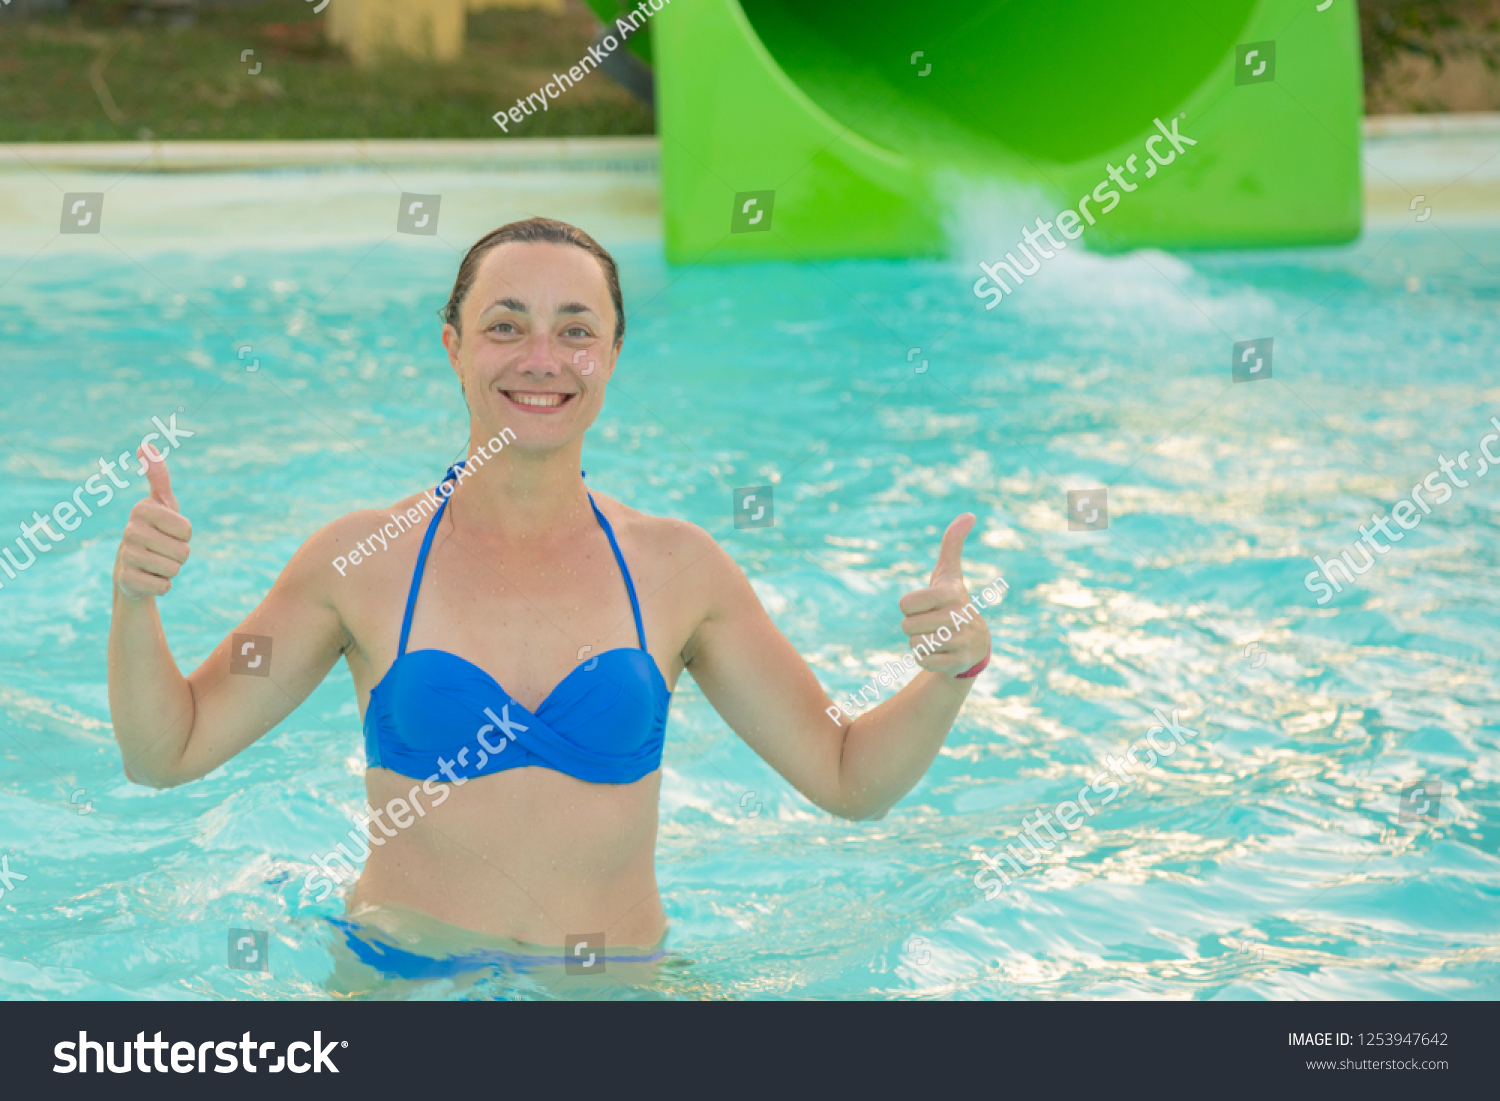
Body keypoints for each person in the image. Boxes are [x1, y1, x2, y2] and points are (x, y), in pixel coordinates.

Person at [107, 217, 993, 978]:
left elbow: (847, 778)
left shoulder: (678, 569)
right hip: (405, 988)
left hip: (614, 992)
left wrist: (950, 671)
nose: (543, 360)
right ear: (452, 346)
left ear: (611, 354)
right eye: (506, 326)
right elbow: (167, 750)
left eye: (576, 330)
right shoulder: (363, 561)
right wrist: (136, 600)